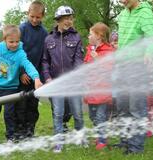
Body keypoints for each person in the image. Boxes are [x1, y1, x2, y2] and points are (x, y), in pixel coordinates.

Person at [113, 0, 153, 154]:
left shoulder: (145, 13)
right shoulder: (123, 14)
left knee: (137, 108)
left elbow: (152, 38)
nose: (121, 0)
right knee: (122, 108)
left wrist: (149, 53)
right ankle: (125, 141)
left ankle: (136, 147)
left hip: (137, 67)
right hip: (121, 67)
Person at [0, 24, 43, 142]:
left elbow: (28, 65)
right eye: (11, 42)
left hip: (11, 88)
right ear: (4, 40)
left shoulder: (20, 53)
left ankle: (11, 137)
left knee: (9, 114)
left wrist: (36, 78)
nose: (14, 44)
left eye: (17, 41)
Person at [41, 6, 84, 152]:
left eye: (71, 18)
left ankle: (80, 138)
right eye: (66, 18)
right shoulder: (48, 39)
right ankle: (58, 142)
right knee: (58, 114)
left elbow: (79, 60)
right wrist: (47, 78)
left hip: (73, 84)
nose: (69, 21)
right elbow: (45, 61)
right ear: (58, 20)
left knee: (77, 113)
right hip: (56, 83)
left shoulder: (76, 37)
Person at [14, 0, 48, 139]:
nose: (34, 20)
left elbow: (44, 57)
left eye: (38, 17)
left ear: (42, 16)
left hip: (36, 78)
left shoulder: (44, 33)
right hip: (22, 76)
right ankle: (19, 131)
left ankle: (29, 132)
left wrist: (40, 78)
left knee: (32, 106)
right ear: (28, 13)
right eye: (32, 16)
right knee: (20, 105)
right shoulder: (21, 29)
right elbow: (16, 53)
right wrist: (21, 72)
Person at [83, 22, 114, 150]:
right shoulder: (90, 50)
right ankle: (99, 134)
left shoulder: (109, 51)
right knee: (92, 116)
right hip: (91, 91)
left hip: (103, 92)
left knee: (101, 116)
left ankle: (102, 140)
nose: (88, 37)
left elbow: (109, 69)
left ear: (99, 36)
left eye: (90, 34)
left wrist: (98, 60)